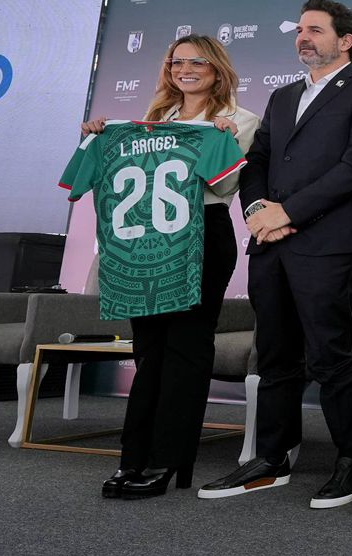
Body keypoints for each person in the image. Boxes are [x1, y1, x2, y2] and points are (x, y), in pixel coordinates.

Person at [199, 0, 352, 508]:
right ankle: (271, 457)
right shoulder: (283, 97)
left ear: (345, 40)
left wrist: (285, 214)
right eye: (300, 30)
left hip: (327, 246)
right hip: (270, 244)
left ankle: (350, 462)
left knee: (331, 356)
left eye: (315, 30)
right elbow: (258, 159)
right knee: (276, 354)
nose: (302, 37)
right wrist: (259, 209)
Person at [82, 35, 260, 499]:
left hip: (202, 237)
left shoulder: (240, 121)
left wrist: (216, 140)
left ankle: (168, 460)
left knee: (185, 348)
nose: (185, 69)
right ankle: (132, 458)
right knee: (149, 352)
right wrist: (103, 134)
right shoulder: (152, 120)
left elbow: (222, 188)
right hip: (149, 244)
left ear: (216, 68)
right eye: (177, 62)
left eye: (196, 61)